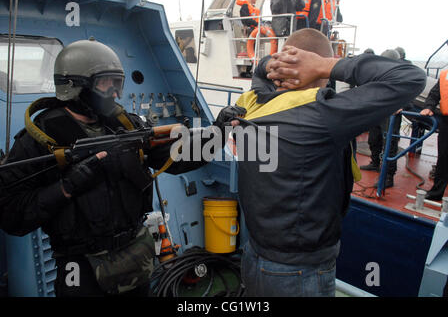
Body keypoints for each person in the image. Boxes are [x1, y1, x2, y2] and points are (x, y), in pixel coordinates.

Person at [0, 39, 241, 297]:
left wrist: (218, 132)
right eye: (106, 83)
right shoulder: (40, 139)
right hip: (81, 264)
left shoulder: (124, 124)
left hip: (134, 256)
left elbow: (175, 156)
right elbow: (11, 213)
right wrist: (67, 188)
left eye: (118, 83)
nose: (115, 93)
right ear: (75, 86)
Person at [222, 28, 425, 296]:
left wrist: (271, 63)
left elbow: (261, 74)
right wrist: (325, 66)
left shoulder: (253, 101)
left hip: (255, 254)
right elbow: (409, 77)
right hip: (298, 273)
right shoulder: (324, 114)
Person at [360, 49, 402, 188]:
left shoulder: (402, 76)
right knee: (374, 139)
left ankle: (388, 176)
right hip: (377, 112)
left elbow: (409, 94)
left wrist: (402, 105)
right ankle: (375, 163)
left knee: (389, 145)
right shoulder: (378, 74)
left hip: (391, 115)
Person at [420, 71, 448, 200]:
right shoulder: (445, 75)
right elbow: (434, 94)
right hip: (447, 121)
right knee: (444, 156)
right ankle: (436, 192)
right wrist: (429, 106)